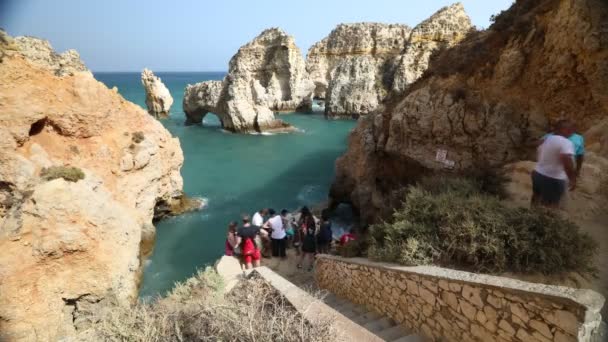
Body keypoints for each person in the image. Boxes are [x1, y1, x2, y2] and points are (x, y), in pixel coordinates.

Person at [532, 119, 577, 208]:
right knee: (551, 206)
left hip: (537, 174)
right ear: (564, 129)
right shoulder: (566, 143)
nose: (572, 132)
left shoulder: (547, 138)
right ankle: (545, 221)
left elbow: (535, 144)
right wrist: (572, 179)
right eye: (570, 130)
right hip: (553, 178)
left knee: (536, 198)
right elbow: (566, 161)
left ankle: (528, 218)